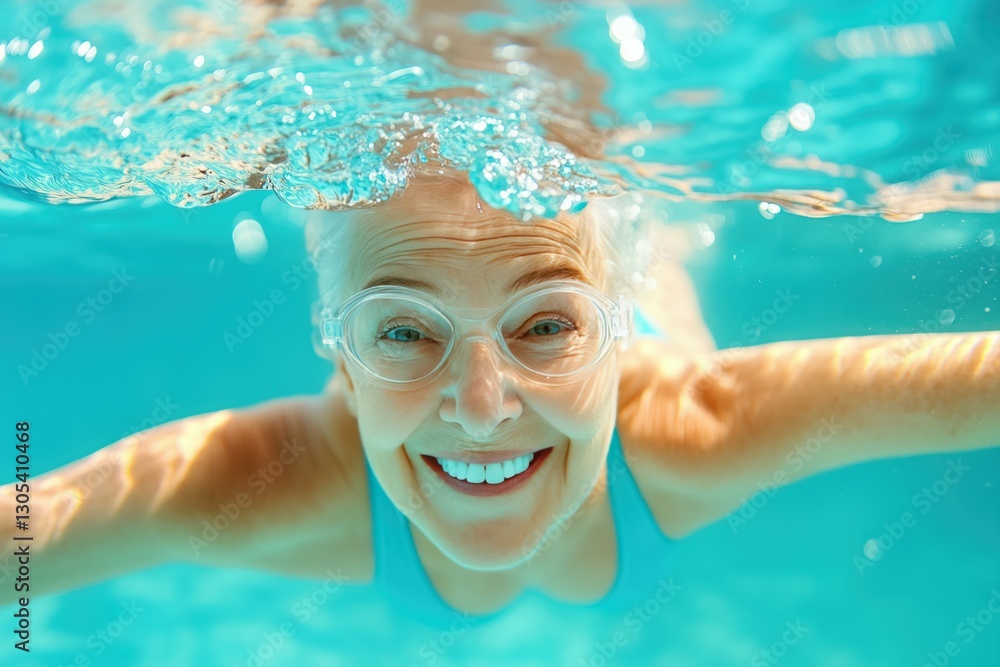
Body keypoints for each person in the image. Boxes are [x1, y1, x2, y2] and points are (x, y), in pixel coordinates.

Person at [2, 168, 998, 624]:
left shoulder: (695, 427)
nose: (481, 406)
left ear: (611, 332)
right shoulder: (265, 480)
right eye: (401, 329)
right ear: (340, 359)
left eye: (547, 323)